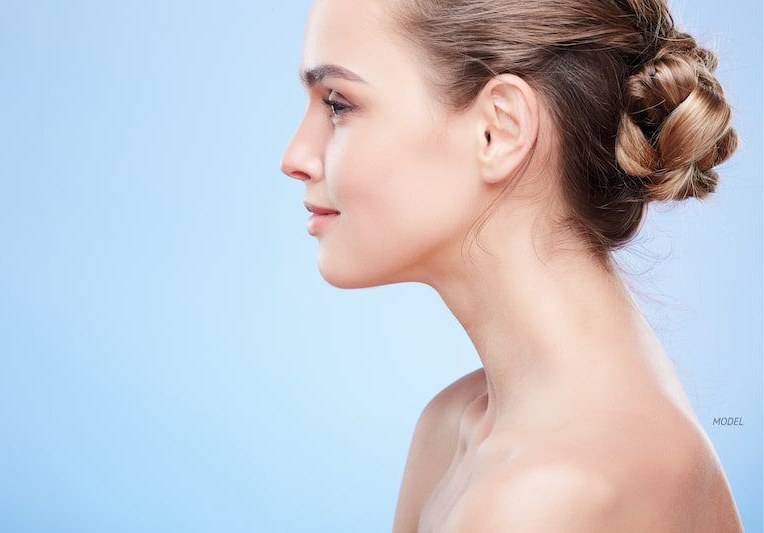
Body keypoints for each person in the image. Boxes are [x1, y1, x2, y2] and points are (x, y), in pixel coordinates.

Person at [279, 0, 743, 530]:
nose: (295, 156)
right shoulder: (453, 426)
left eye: (338, 104)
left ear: (498, 129)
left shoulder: (544, 498)